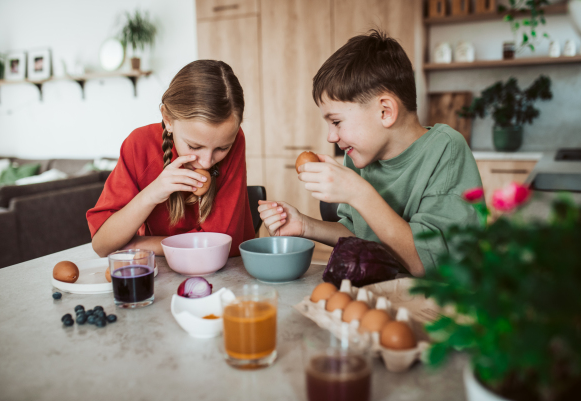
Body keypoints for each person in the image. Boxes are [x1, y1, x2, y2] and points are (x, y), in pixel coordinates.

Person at [258, 30, 483, 277]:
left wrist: (358, 192)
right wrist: (304, 225)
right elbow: (361, 235)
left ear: (385, 111)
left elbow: (425, 263)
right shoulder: (361, 156)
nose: (331, 137)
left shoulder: (446, 150)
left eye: (336, 121)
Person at [87, 60, 255, 258]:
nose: (206, 162)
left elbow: (219, 244)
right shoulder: (138, 145)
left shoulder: (235, 138)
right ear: (167, 119)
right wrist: (152, 193)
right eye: (194, 146)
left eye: (222, 148)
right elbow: (102, 245)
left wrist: (142, 244)